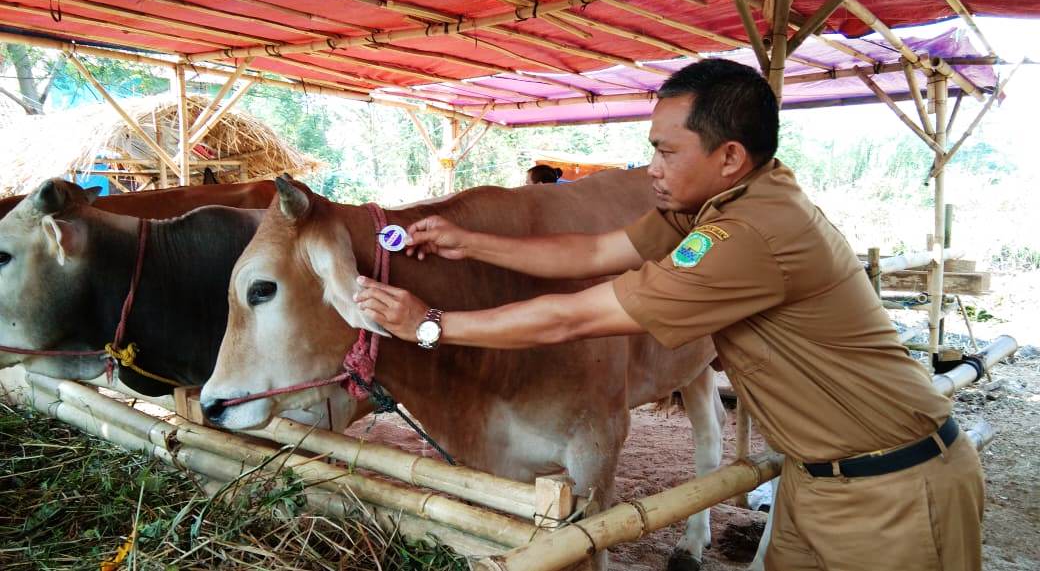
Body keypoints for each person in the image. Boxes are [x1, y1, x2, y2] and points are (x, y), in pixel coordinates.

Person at [356, 59, 984, 571]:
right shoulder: (721, 199)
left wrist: (431, 325)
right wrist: (470, 241)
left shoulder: (745, 236)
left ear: (730, 156)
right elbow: (598, 251)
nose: (650, 169)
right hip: (817, 479)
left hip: (894, 488)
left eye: (666, 151)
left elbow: (574, 317)